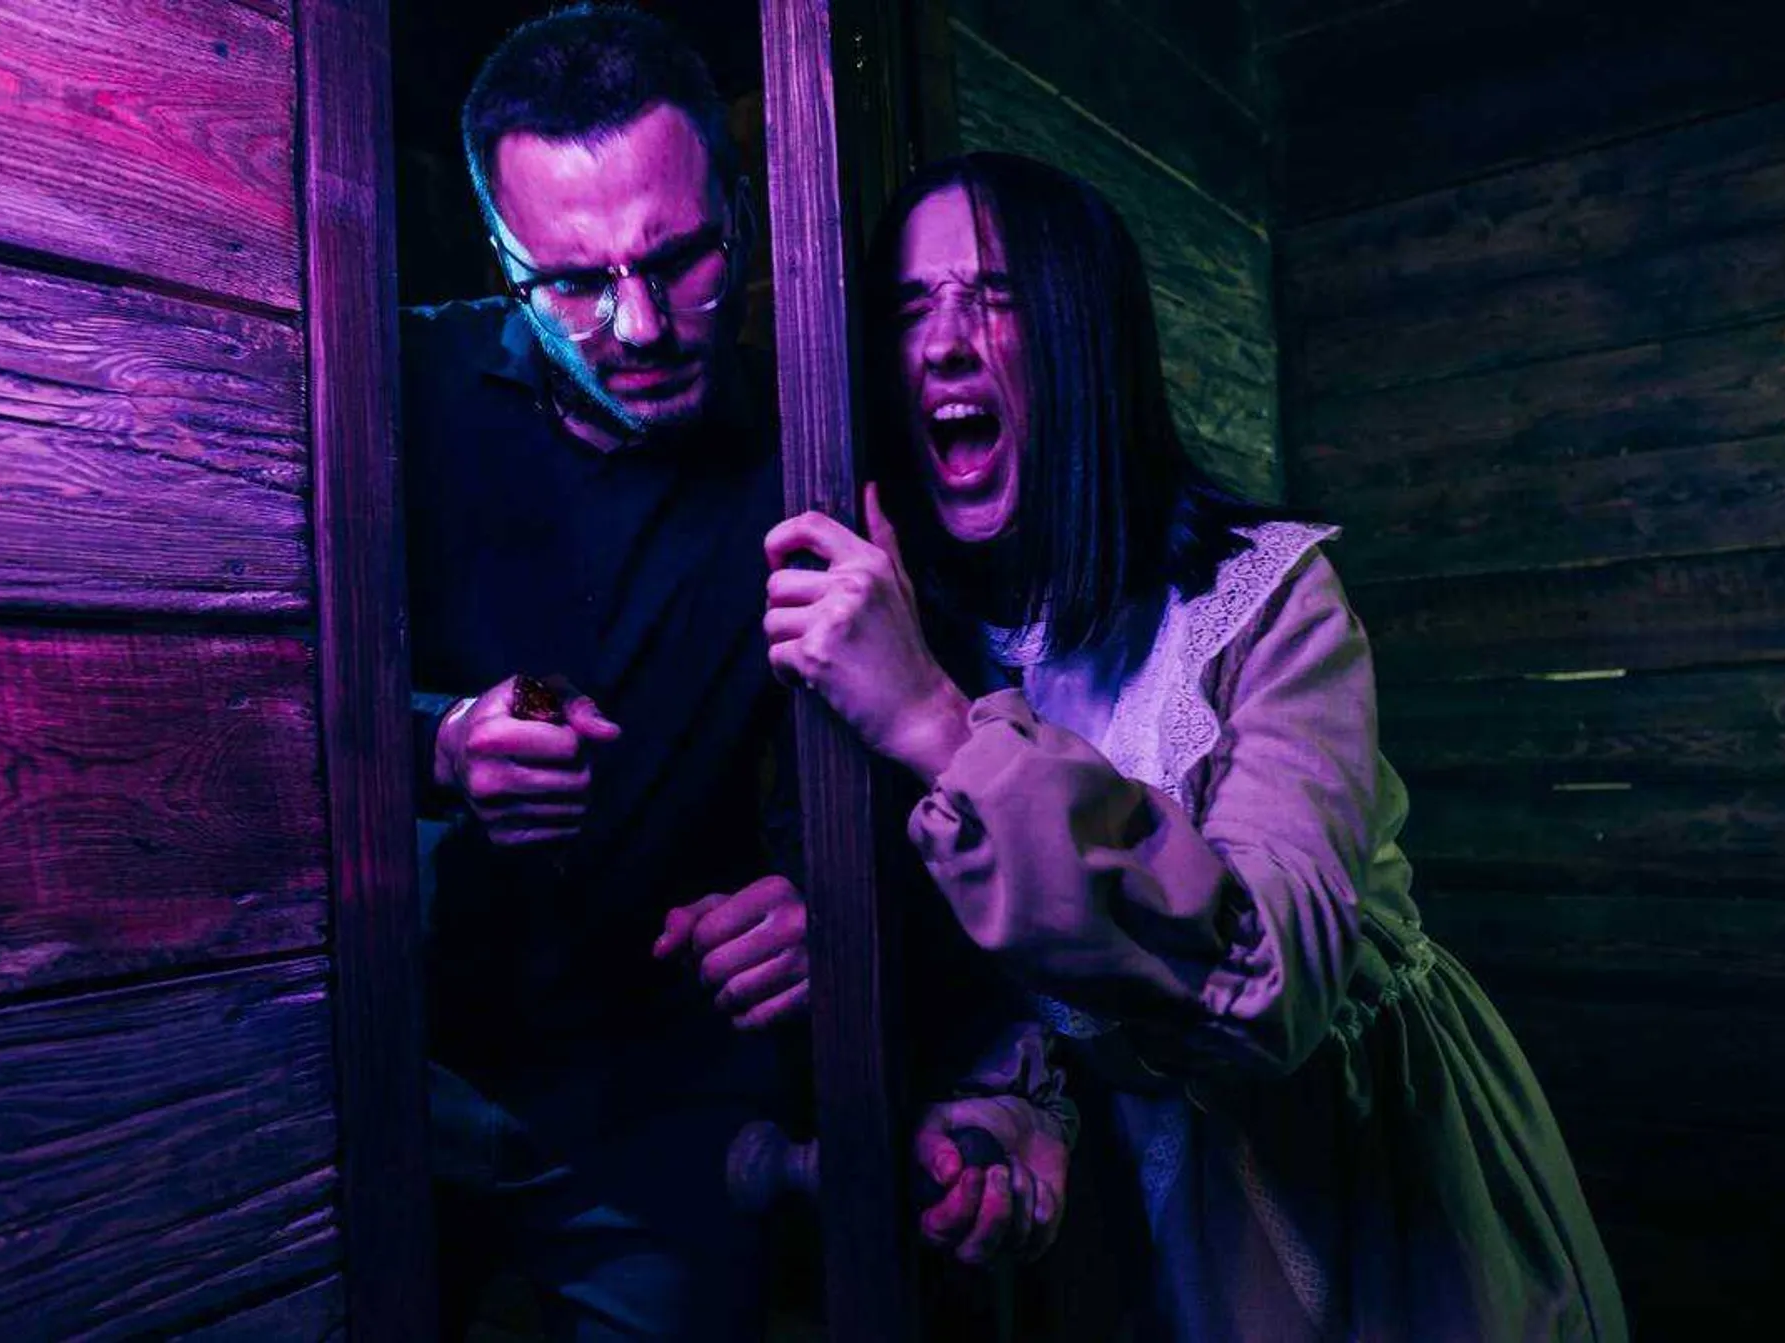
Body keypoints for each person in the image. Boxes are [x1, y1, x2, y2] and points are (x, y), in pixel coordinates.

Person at [763, 152, 1629, 1341]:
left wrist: (931, 722)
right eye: (910, 307)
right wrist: (1025, 1109)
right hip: (1122, 1237)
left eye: (995, 295)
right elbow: (1037, 995)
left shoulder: (1266, 602)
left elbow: (1268, 989)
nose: (944, 344)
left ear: (1086, 340)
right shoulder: (924, 627)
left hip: (1365, 1201)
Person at [403, 11, 1068, 1337]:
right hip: (389, 1063)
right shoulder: (397, 387)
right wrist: (442, 737)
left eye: (679, 260)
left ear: (744, 213)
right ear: (499, 256)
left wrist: (830, 901)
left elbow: (935, 770)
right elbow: (252, 688)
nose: (641, 324)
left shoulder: (818, 453)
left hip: (656, 1121)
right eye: (572, 284)